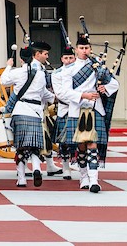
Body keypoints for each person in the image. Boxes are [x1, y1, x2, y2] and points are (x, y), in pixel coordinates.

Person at [55, 33, 118, 192]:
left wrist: (105, 88)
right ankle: (83, 177)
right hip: (77, 109)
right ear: (76, 50)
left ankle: (94, 180)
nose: (84, 50)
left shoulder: (98, 65)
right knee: (81, 146)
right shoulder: (69, 70)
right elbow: (65, 92)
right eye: (81, 48)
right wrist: (83, 95)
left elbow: (114, 83)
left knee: (92, 144)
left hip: (95, 109)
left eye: (87, 48)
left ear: (90, 49)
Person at [0, 41, 53, 187]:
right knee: (35, 146)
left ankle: (22, 179)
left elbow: (3, 81)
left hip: (21, 110)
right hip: (36, 112)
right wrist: (56, 99)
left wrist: (9, 66)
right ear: (34, 56)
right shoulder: (42, 74)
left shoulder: (19, 72)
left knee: (21, 147)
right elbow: (44, 93)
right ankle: (36, 169)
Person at [50, 47, 78, 180]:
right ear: (61, 59)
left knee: (83, 140)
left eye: (70, 58)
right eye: (66, 58)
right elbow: (59, 93)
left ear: (75, 58)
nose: (68, 60)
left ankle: (84, 167)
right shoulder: (56, 74)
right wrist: (78, 98)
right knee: (64, 142)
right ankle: (66, 168)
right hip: (65, 109)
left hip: (80, 108)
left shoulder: (79, 70)